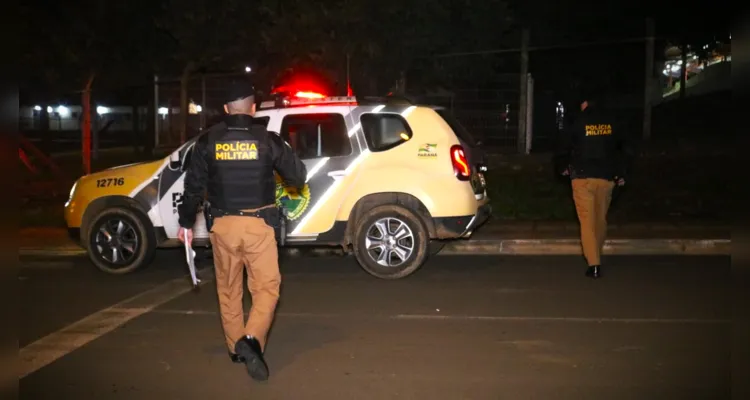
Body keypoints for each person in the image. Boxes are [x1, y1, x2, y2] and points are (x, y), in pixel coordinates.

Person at [177, 79, 307, 380]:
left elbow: (193, 187)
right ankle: (251, 339)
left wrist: (185, 223)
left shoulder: (207, 141)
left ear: (225, 109)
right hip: (259, 225)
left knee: (228, 289)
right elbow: (298, 177)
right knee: (267, 288)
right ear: (253, 108)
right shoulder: (268, 140)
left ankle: (236, 349)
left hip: (222, 226)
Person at [554, 92, 633, 279]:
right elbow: (624, 149)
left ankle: (594, 264)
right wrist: (622, 173)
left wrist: (563, 168)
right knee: (600, 219)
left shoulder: (578, 121)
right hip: (606, 178)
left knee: (587, 221)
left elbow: (563, 147)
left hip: (582, 178)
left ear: (584, 104)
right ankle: (596, 252)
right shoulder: (613, 122)